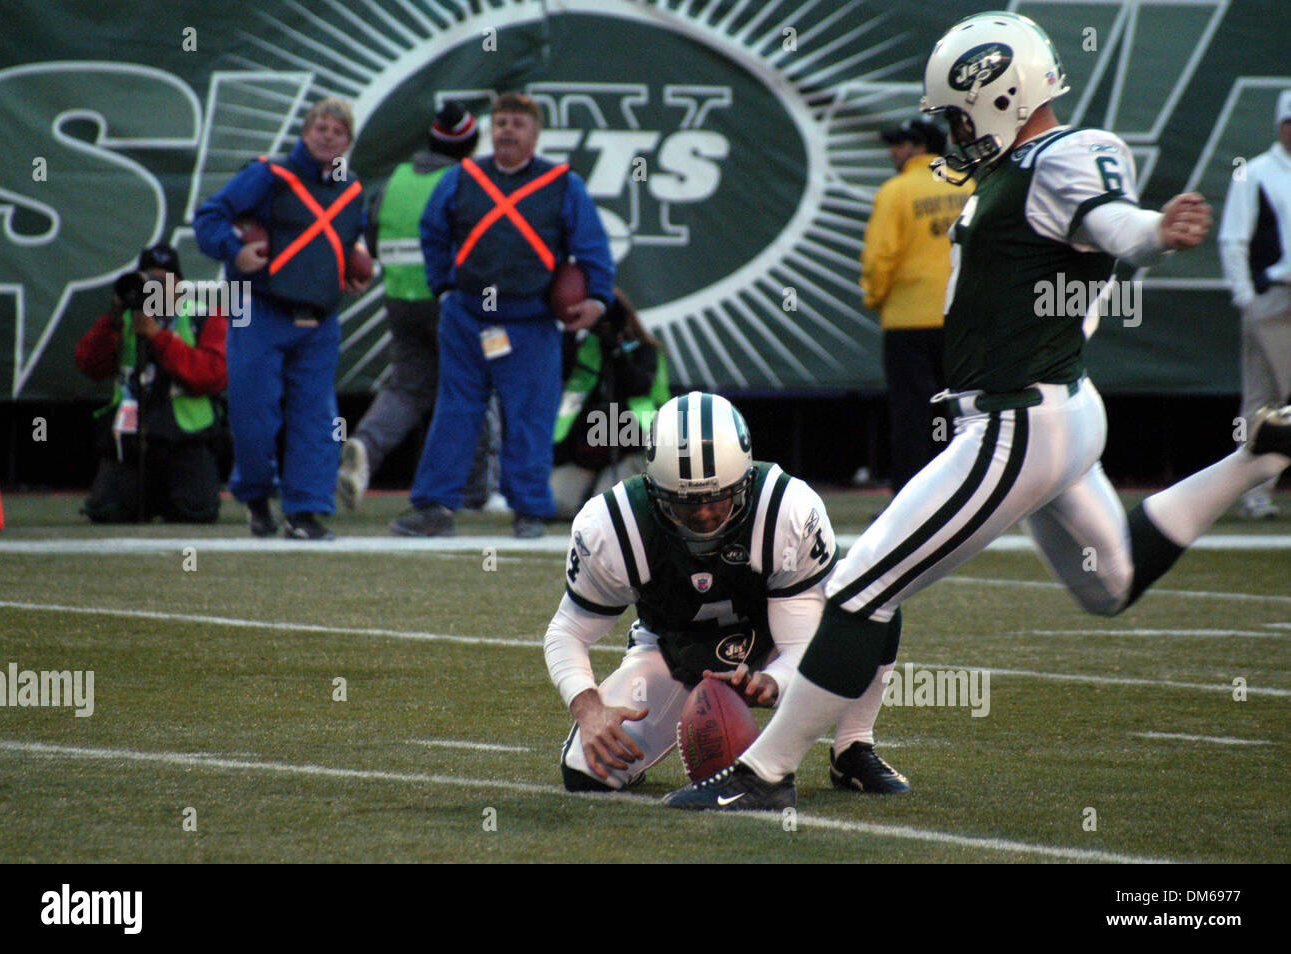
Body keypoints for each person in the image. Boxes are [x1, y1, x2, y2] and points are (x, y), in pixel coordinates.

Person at [664, 11, 1291, 811]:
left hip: (1019, 423)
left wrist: (1158, 234)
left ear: (1000, 94)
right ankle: (1259, 457)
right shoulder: (1019, 168)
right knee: (1112, 582)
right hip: (1059, 410)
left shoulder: (1060, 156)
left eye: (959, 116)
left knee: (859, 585)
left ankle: (765, 771)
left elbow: (1110, 223)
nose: (952, 134)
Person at [545, 392, 905, 793]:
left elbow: (803, 640)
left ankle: (853, 747)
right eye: (686, 503)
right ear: (654, 490)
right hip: (673, 651)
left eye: (717, 498)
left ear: (745, 481)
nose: (702, 514)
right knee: (588, 773)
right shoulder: (613, 525)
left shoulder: (786, 510)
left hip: (771, 641)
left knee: (871, 595)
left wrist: (774, 679)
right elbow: (567, 632)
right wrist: (589, 707)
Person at [390, 92, 615, 540]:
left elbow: (592, 247)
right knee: (455, 411)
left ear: (535, 133)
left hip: (530, 320)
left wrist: (599, 298)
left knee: (530, 415)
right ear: (491, 132)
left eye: (518, 123)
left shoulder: (562, 183)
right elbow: (432, 229)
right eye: (501, 123)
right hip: (467, 316)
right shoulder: (463, 176)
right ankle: (434, 508)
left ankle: (529, 510)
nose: (507, 130)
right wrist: (443, 285)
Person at [194, 97, 369, 541]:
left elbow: (349, 241)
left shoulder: (351, 189)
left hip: (318, 318)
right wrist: (235, 252)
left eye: (338, 131)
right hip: (257, 306)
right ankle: (255, 498)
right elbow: (209, 216)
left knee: (316, 419)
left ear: (348, 141)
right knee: (254, 416)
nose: (328, 136)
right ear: (305, 131)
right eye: (320, 128)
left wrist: (353, 265)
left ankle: (305, 513)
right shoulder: (269, 174)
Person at [337, 102, 497, 512]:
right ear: (469, 146)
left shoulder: (397, 180)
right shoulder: (465, 180)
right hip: (449, 299)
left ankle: (366, 448)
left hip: (400, 300)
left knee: (407, 388)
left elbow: (369, 242)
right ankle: (473, 490)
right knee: (469, 387)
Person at [75, 244, 226, 523]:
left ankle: (168, 497)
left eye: (163, 280)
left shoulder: (203, 315)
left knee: (197, 511)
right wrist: (114, 316)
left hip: (185, 438)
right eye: (149, 280)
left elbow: (212, 376)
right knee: (105, 511)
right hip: (131, 441)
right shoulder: (125, 320)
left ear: (181, 285)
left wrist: (157, 336)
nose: (156, 288)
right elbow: (89, 365)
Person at [864, 117, 973, 494]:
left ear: (915, 147)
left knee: (911, 416)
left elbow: (881, 257)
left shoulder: (896, 191)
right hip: (962, 320)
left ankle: (910, 507)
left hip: (908, 321)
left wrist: (875, 297)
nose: (893, 151)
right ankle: (958, 498)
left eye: (898, 144)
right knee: (961, 415)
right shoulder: (969, 186)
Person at [1218, 89, 1291, 520]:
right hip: (1272, 299)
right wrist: (1247, 296)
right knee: (1265, 401)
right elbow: (1232, 237)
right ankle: (1254, 493)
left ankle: (1253, 493)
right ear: (1280, 125)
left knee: (1267, 400)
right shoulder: (1255, 173)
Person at [551, 288, 670, 519]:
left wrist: (616, 348)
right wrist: (569, 333)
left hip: (630, 447)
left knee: (608, 510)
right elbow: (560, 374)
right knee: (557, 504)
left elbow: (638, 386)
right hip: (585, 453)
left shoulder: (646, 350)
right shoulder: (584, 347)